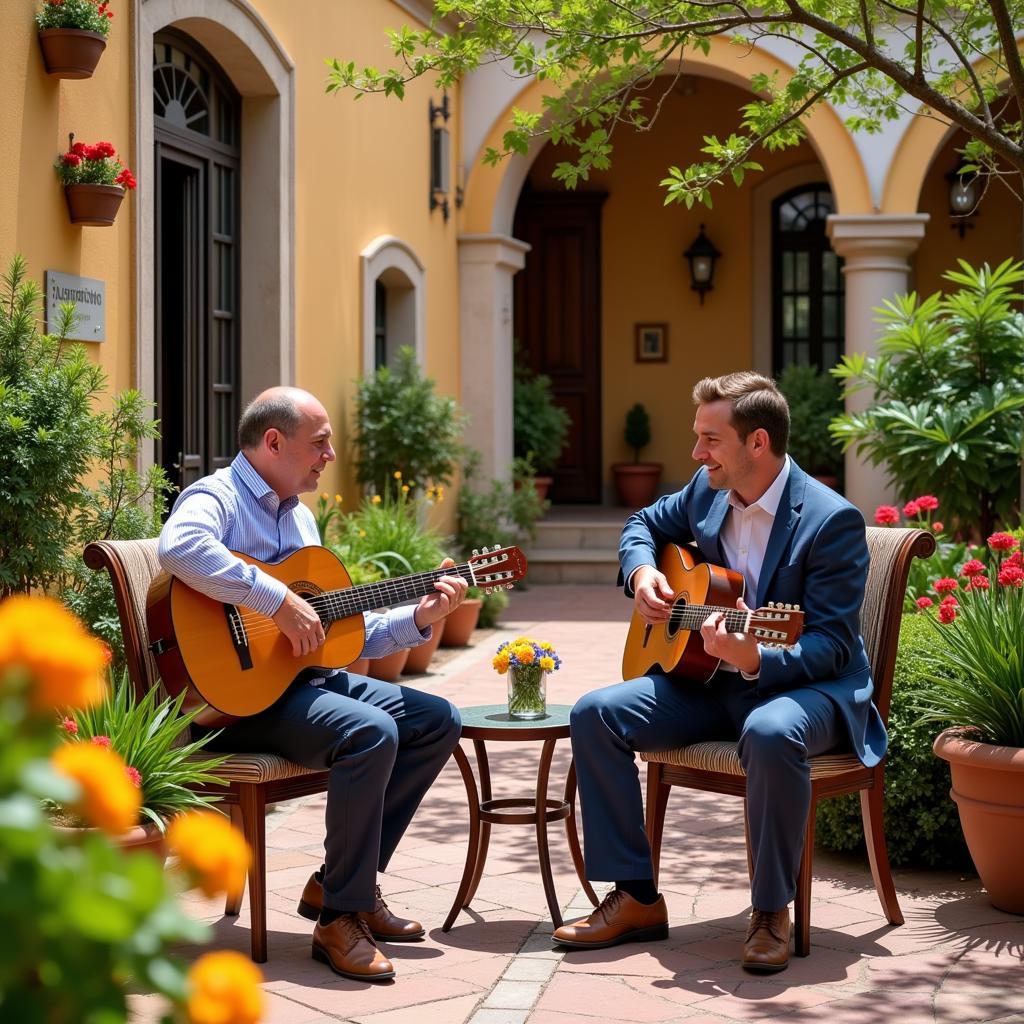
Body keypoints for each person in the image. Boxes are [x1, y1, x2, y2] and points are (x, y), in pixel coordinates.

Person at [554, 371, 885, 973]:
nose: (695, 453)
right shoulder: (706, 491)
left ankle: (769, 911)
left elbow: (834, 646)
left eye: (710, 439)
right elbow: (642, 525)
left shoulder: (830, 521)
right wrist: (641, 574)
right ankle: (635, 897)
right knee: (595, 713)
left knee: (769, 731)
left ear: (757, 443)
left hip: (805, 690)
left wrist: (758, 657)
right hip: (711, 681)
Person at [158, 386, 466, 982]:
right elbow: (180, 547)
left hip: (294, 689)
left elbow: (341, 631)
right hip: (230, 704)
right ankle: (339, 919)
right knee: (371, 733)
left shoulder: (300, 514)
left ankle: (338, 884)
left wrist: (421, 619)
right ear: (273, 443)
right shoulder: (216, 496)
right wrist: (274, 599)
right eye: (320, 443)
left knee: (436, 721)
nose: (330, 456)